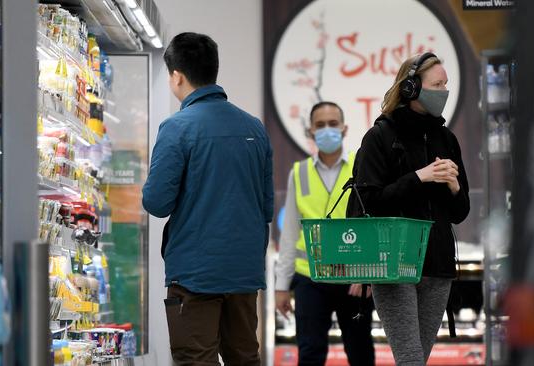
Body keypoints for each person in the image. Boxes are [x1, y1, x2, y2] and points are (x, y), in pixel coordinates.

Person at [142, 32, 273, 365]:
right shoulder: (255, 128)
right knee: (244, 356)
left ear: (177, 76)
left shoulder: (177, 128)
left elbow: (156, 202)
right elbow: (267, 206)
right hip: (244, 271)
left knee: (196, 358)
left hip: (194, 273)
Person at [348, 53, 470, 365]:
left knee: (417, 359)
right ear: (411, 88)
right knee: (411, 359)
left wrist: (454, 187)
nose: (443, 91)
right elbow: (368, 203)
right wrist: (418, 178)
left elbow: (460, 212)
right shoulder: (380, 137)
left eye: (445, 84)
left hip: (438, 265)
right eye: (436, 84)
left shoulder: (447, 138)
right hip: (394, 265)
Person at [275, 101, 375, 366]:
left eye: (333, 124)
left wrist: (369, 274)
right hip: (310, 279)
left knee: (361, 353)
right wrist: (281, 286)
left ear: (344, 129)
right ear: (310, 131)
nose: (327, 130)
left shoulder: (361, 166)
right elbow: (289, 234)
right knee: (309, 354)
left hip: (354, 279)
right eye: (320, 125)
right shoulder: (300, 173)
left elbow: (374, 223)